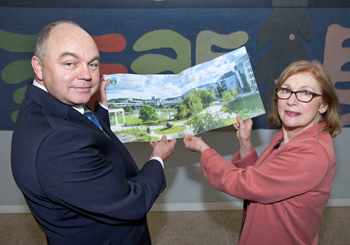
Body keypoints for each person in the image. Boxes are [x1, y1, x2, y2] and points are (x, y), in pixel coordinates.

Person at [11, 20, 176, 245]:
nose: (87, 75)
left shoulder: (47, 103)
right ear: (38, 67)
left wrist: (103, 108)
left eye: (93, 64)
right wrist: (158, 158)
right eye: (70, 63)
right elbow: (132, 203)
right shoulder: (57, 142)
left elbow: (81, 128)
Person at [183, 60, 342, 245]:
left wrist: (205, 150)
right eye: (286, 90)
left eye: (306, 93)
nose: (291, 100)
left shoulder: (313, 153)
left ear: (324, 105)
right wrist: (245, 143)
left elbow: (245, 183)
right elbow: (265, 178)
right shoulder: (287, 134)